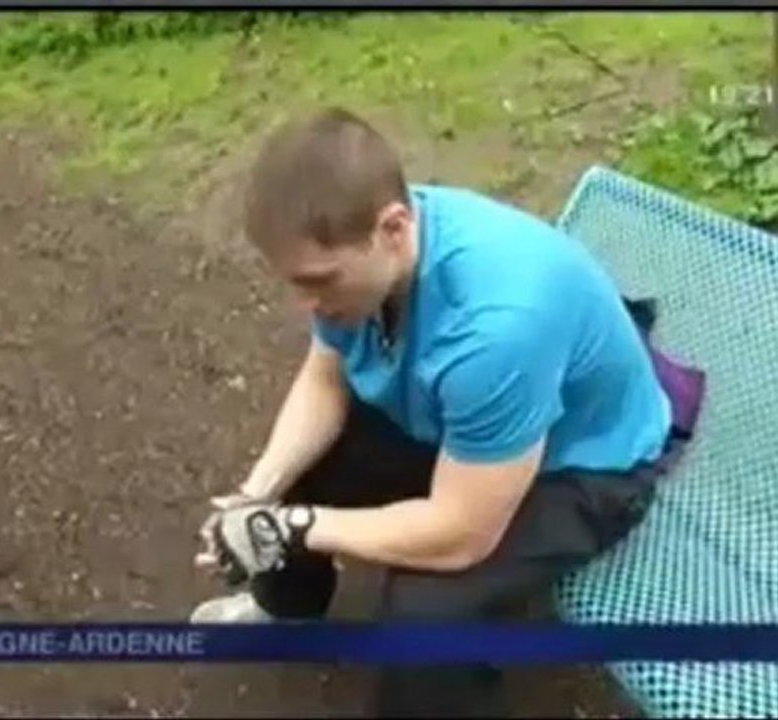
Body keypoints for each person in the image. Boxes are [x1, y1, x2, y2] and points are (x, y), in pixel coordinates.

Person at [191, 106, 696, 717]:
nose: (306, 305)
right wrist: (258, 497)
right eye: (292, 283)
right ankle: (287, 606)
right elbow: (325, 378)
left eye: (319, 281)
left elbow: (460, 535)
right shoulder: (371, 242)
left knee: (423, 621)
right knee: (297, 472)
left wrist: (297, 528)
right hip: (476, 424)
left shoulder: (496, 329)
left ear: (395, 228)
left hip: (584, 466)